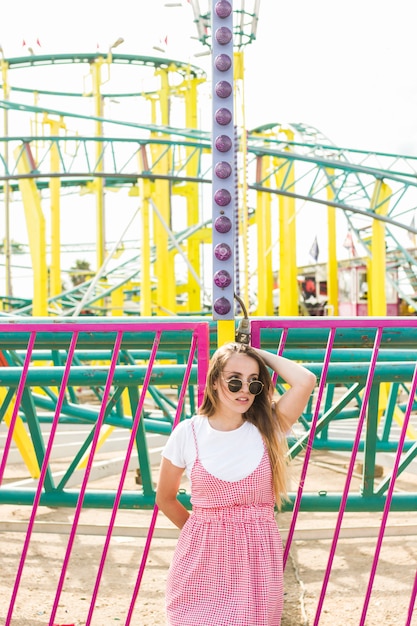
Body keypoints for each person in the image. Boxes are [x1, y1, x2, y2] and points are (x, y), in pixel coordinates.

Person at [156, 341, 316, 626]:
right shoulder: (187, 433)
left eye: (254, 383)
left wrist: (253, 352)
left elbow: (305, 380)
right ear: (215, 382)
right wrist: (201, 531)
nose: (245, 390)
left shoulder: (269, 427)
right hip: (201, 559)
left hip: (255, 562)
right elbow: (165, 498)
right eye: (234, 380)